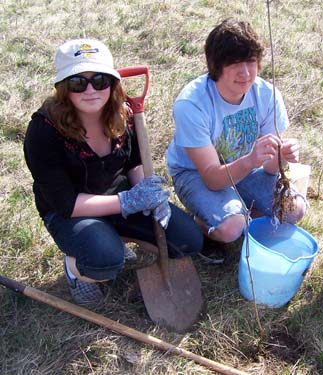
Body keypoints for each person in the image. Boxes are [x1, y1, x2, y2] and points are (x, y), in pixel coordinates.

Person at [24, 39, 203, 306]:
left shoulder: (124, 114)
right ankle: (76, 268)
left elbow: (133, 164)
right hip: (71, 212)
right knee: (105, 258)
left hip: (120, 200)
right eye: (77, 82)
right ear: (63, 88)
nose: (90, 90)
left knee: (188, 240)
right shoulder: (43, 131)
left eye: (99, 80)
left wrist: (150, 194)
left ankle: (114, 235)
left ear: (112, 82)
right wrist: (128, 201)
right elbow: (66, 204)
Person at [166, 19, 306, 264]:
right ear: (216, 66)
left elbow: (271, 169)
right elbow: (211, 177)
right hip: (195, 174)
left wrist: (280, 157)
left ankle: (240, 212)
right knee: (231, 228)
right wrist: (252, 160)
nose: (246, 73)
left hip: (246, 169)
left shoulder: (266, 95)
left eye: (251, 62)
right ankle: (200, 223)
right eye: (234, 64)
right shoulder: (192, 104)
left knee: (294, 210)